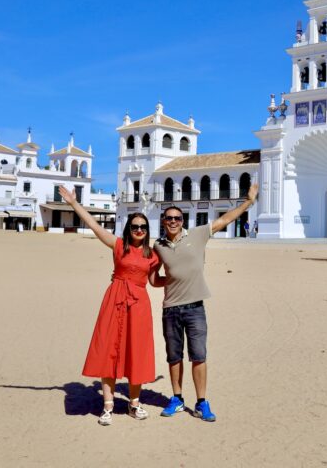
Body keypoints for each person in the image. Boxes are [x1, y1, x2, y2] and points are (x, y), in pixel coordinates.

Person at [58, 185, 161, 426]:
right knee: (108, 350)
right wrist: (74, 203)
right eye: (135, 226)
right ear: (129, 229)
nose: (139, 230)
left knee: (137, 351)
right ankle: (108, 406)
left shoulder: (152, 255)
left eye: (143, 227)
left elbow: (156, 281)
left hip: (139, 304)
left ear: (147, 231)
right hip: (115, 300)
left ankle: (134, 404)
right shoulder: (118, 246)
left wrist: (180, 278)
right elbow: (94, 226)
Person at [155, 183, 258, 422]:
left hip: (195, 308)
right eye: (169, 218)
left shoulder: (198, 235)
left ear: (183, 220)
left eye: (177, 218)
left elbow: (225, 219)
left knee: (198, 355)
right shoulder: (158, 245)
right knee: (174, 357)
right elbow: (153, 276)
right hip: (170, 309)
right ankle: (177, 398)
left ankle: (201, 402)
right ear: (163, 221)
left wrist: (248, 202)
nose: (173, 221)